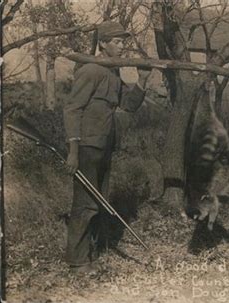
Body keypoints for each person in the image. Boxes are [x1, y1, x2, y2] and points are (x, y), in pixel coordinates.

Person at [63, 21, 151, 274]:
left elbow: (129, 104)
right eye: (117, 41)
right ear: (103, 43)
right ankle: (77, 261)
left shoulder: (112, 72)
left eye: (124, 41)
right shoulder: (91, 70)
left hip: (104, 144)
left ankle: (91, 252)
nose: (122, 46)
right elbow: (72, 109)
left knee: (98, 200)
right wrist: (73, 150)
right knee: (85, 203)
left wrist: (142, 80)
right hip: (87, 146)